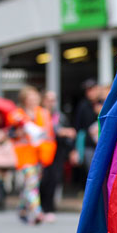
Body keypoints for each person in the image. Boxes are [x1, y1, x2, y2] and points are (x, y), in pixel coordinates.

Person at [7, 86, 57, 224]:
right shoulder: (17, 114)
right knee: (32, 182)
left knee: (31, 184)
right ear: (25, 100)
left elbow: (49, 132)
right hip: (25, 153)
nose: (33, 100)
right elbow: (10, 133)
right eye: (30, 98)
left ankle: (22, 208)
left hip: (40, 152)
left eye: (35, 97)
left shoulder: (44, 113)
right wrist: (20, 132)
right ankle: (37, 212)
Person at [39, 91, 76, 222]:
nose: (51, 102)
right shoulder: (40, 114)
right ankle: (40, 207)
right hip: (42, 151)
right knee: (42, 180)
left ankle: (49, 208)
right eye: (49, 99)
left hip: (57, 152)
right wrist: (60, 132)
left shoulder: (59, 116)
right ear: (43, 101)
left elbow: (69, 132)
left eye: (53, 100)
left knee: (54, 179)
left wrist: (71, 147)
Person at [74, 79, 100, 183]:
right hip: (89, 146)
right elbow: (78, 128)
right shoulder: (83, 106)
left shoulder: (106, 103)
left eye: (92, 89)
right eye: (88, 90)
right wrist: (76, 149)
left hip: (103, 144)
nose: (90, 93)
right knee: (93, 173)